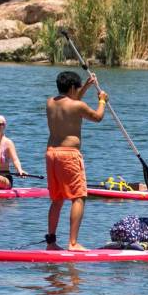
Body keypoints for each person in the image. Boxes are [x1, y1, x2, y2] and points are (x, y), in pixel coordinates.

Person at [45, 71, 108, 251]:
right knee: (78, 198)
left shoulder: (50, 102)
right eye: (78, 88)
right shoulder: (77, 106)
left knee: (57, 199)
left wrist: (87, 86)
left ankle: (51, 242)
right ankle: (73, 243)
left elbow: (72, 102)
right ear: (73, 88)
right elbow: (97, 117)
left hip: (51, 154)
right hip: (69, 155)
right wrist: (102, 100)